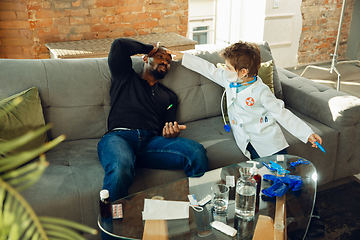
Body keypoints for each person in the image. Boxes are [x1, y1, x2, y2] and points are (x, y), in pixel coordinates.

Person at [174, 40, 326, 239]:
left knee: (291, 180)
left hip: (270, 143)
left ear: (243, 72)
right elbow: (208, 69)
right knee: (266, 184)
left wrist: (307, 134)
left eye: (229, 67)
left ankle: (313, 219)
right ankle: (275, 222)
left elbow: (282, 114)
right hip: (248, 144)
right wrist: (180, 56)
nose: (224, 70)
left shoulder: (261, 92)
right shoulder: (229, 79)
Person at [97, 38, 209, 202]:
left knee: (196, 152)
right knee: (121, 165)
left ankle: (201, 210)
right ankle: (113, 225)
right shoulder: (124, 77)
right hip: (119, 138)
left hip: (151, 143)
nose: (165, 62)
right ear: (145, 58)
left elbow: (166, 129)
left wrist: (171, 132)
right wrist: (150, 48)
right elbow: (119, 45)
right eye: (161, 57)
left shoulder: (170, 97)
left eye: (169, 62)